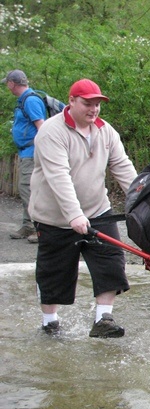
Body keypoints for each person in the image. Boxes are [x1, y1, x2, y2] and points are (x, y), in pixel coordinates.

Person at [29, 78, 137, 337]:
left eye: (98, 104)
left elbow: (122, 166)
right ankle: (50, 321)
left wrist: (141, 198)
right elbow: (58, 176)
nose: (94, 109)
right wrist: (74, 215)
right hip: (56, 217)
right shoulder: (51, 132)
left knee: (111, 261)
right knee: (54, 271)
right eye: (88, 103)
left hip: (98, 209)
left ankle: (103, 320)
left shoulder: (105, 131)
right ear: (72, 101)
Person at [2, 69, 46, 243]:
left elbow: (42, 127)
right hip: (26, 152)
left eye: (7, 83)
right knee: (27, 189)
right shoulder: (25, 100)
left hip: (32, 153)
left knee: (30, 189)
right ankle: (28, 225)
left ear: (12, 83)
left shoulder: (30, 100)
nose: (7, 86)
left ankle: (39, 229)